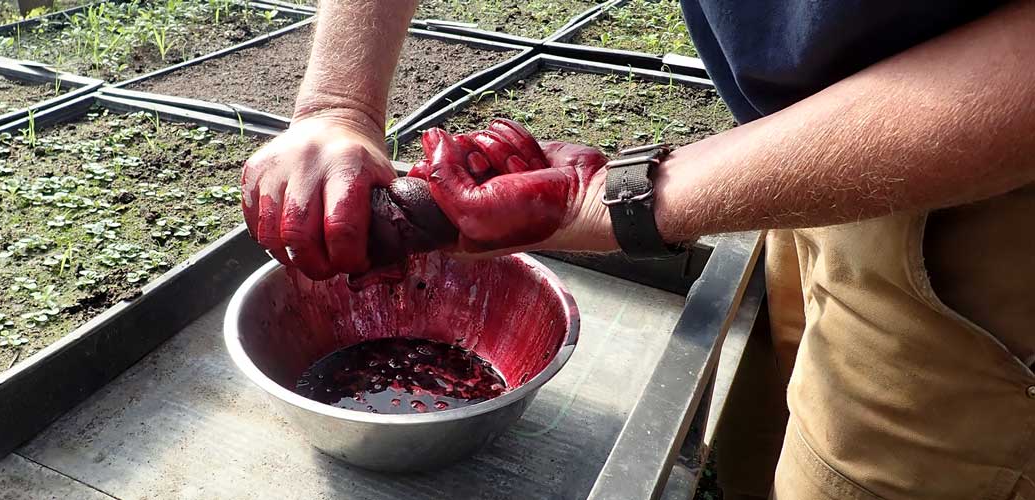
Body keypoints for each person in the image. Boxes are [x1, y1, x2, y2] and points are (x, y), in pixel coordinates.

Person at [241, 0, 1035, 498]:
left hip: (988, 180)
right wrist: (337, 103)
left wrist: (621, 202)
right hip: (805, 129)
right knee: (767, 418)